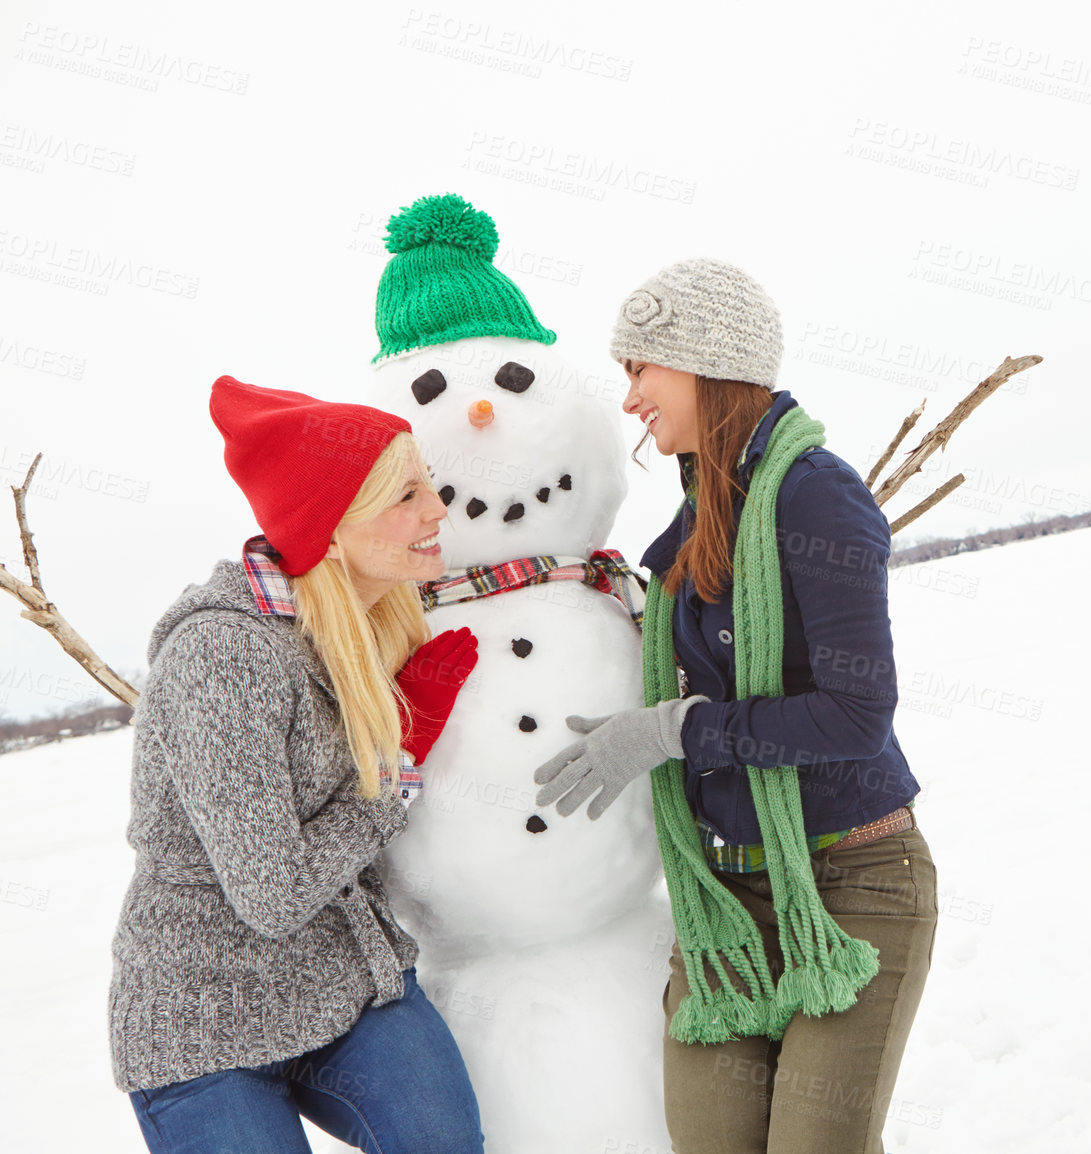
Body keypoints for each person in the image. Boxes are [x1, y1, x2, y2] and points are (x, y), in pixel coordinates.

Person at [531, 259, 937, 1154]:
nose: (630, 397)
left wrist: (676, 730)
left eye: (643, 368)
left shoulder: (815, 498)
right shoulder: (694, 522)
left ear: (706, 363)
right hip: (726, 897)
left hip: (852, 885)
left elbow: (853, 715)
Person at [109, 376, 485, 1153]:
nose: (438, 510)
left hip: (344, 981)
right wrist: (399, 764)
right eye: (407, 495)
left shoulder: (361, 617)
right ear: (334, 527)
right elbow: (273, 895)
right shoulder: (223, 655)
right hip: (203, 1026)